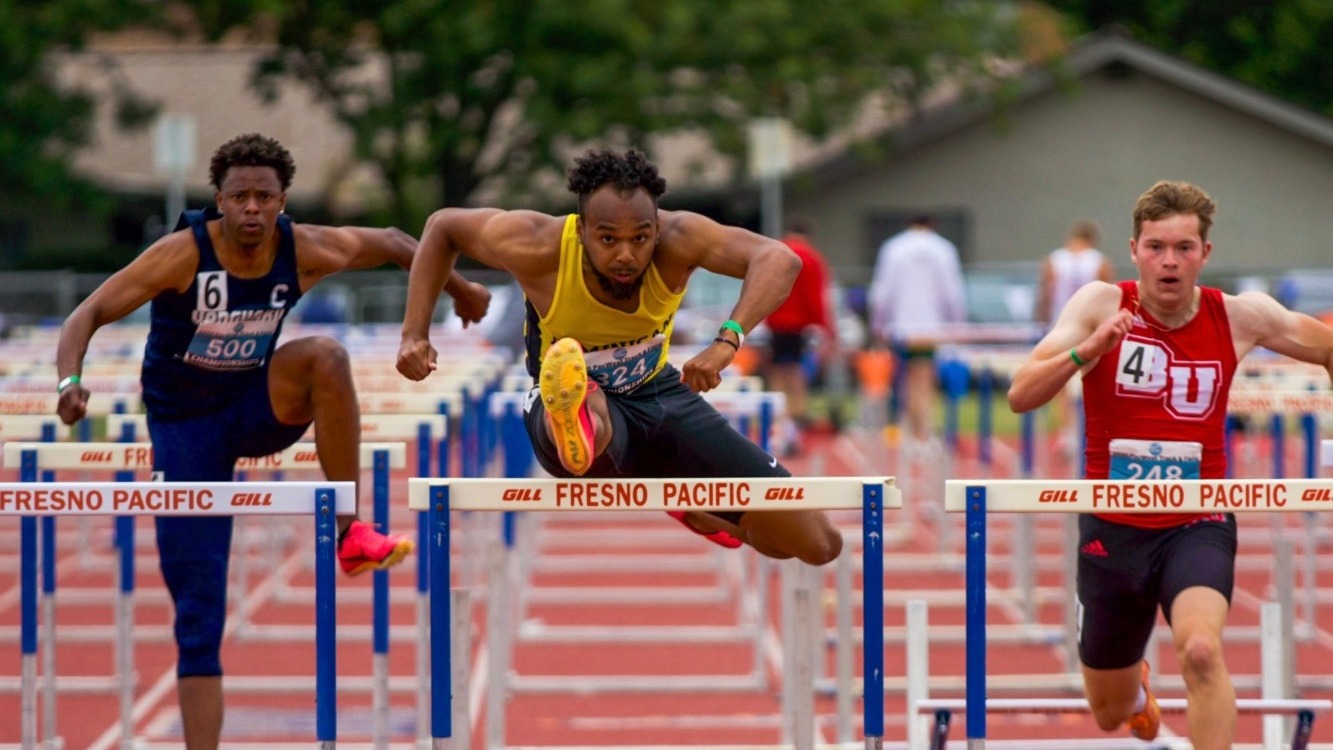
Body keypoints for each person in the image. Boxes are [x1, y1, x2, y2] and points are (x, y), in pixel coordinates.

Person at [54, 133, 492, 750]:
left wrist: (462, 289)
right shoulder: (182, 254)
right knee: (198, 620)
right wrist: (69, 382)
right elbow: (88, 314)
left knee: (327, 357)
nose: (252, 208)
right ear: (219, 201)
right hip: (186, 430)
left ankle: (350, 530)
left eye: (265, 196)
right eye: (240, 197)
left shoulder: (302, 248)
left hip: (255, 405)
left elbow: (396, 242)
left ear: (283, 202)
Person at [397, 147, 842, 565]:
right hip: (567, 407)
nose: (626, 255)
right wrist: (414, 333)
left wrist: (727, 341)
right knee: (588, 418)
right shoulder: (537, 243)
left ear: (657, 230)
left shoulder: (680, 238)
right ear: (582, 230)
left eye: (640, 238)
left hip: (658, 394)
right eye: (608, 239)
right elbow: (443, 227)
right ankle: (575, 413)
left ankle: (696, 509)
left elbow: (780, 259)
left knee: (818, 543)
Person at [1007, 180, 1333, 749]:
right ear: (1134, 251)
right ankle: (1136, 696)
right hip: (1113, 526)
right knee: (1108, 711)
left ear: (1205, 254)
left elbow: (1326, 345)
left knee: (1201, 651)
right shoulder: (1099, 303)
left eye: (1184, 248)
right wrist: (1087, 352)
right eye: (1156, 247)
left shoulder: (1240, 316)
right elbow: (1020, 395)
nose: (1169, 262)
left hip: (1197, 520)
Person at [866, 214, 966, 443]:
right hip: (930, 326)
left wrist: (877, 325)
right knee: (924, 375)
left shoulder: (893, 248)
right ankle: (923, 427)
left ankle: (914, 426)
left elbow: (882, 291)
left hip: (901, 325)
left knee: (908, 377)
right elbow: (952, 292)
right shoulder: (943, 249)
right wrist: (958, 325)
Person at [763, 215, 836, 454]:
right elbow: (816, 297)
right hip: (798, 326)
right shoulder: (812, 258)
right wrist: (827, 330)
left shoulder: (775, 253)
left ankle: (776, 423)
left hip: (775, 321)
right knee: (795, 375)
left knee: (777, 374)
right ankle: (794, 427)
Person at [1034, 218, 1115, 326]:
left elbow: (1046, 297)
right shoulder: (1100, 262)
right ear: (1092, 240)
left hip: (1058, 324)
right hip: (1088, 326)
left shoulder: (1054, 260)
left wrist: (1042, 322)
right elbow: (1107, 298)